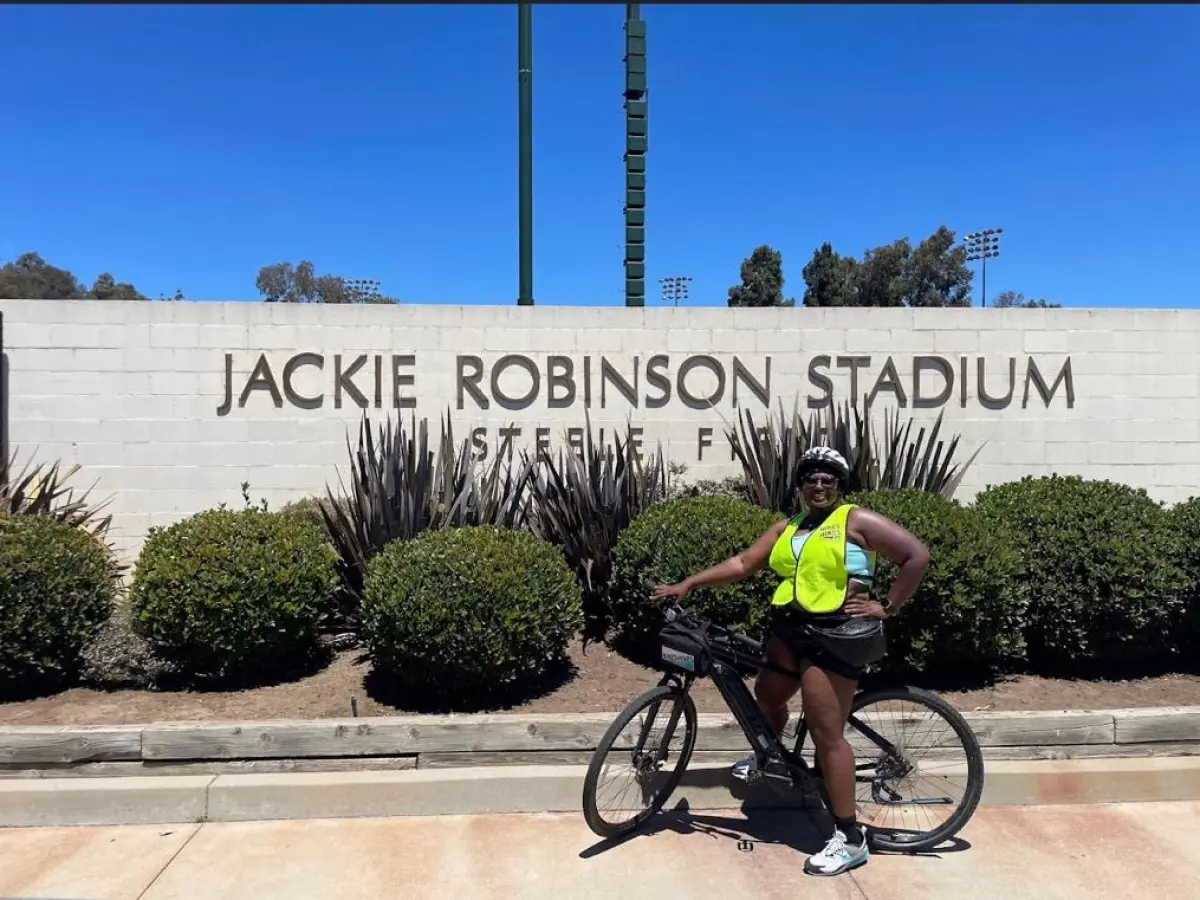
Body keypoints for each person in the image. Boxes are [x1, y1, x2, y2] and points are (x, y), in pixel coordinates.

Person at [652, 446, 930, 877]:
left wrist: (887, 607)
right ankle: (771, 758)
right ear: (799, 486)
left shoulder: (855, 520)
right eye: (810, 479)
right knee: (767, 696)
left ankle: (850, 839)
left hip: (834, 636)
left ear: (839, 486)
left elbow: (916, 555)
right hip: (791, 630)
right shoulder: (789, 526)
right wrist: (689, 583)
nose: (819, 485)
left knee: (826, 735)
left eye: (828, 479)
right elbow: (743, 562)